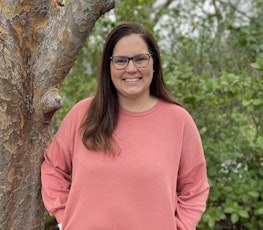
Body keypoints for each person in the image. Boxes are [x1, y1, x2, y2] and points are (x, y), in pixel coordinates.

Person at [41, 22, 209, 230]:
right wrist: (65, 218)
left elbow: (195, 189)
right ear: (108, 66)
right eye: (121, 60)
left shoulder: (178, 120)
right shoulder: (83, 114)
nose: (131, 68)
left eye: (140, 59)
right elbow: (53, 168)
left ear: (153, 63)